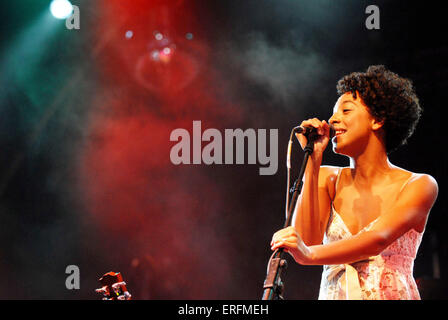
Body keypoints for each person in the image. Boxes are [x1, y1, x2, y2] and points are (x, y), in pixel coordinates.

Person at [270, 65, 438, 300]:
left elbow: (377, 239)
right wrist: (313, 160)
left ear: (377, 120)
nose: (332, 119)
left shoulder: (419, 184)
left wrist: (309, 255)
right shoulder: (327, 178)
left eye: (346, 111)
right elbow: (307, 240)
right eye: (334, 113)